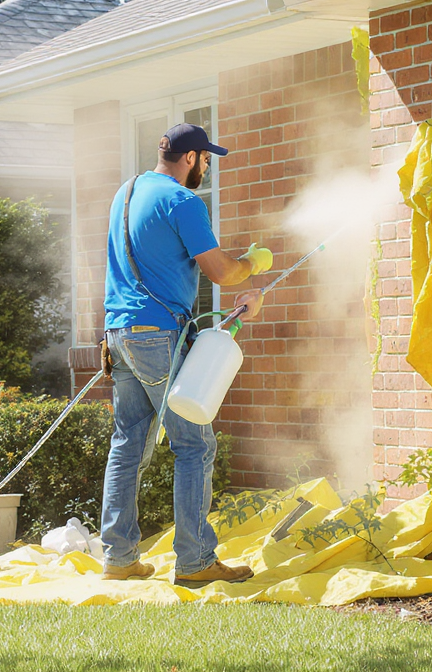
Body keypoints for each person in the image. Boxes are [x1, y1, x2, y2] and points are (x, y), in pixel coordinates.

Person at [100, 123, 273, 588]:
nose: (208, 166)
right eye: (207, 158)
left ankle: (118, 557)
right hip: (158, 336)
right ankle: (195, 561)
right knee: (194, 444)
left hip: (118, 334)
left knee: (128, 444)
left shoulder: (128, 191)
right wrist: (253, 265)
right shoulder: (183, 201)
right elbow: (220, 272)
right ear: (192, 158)